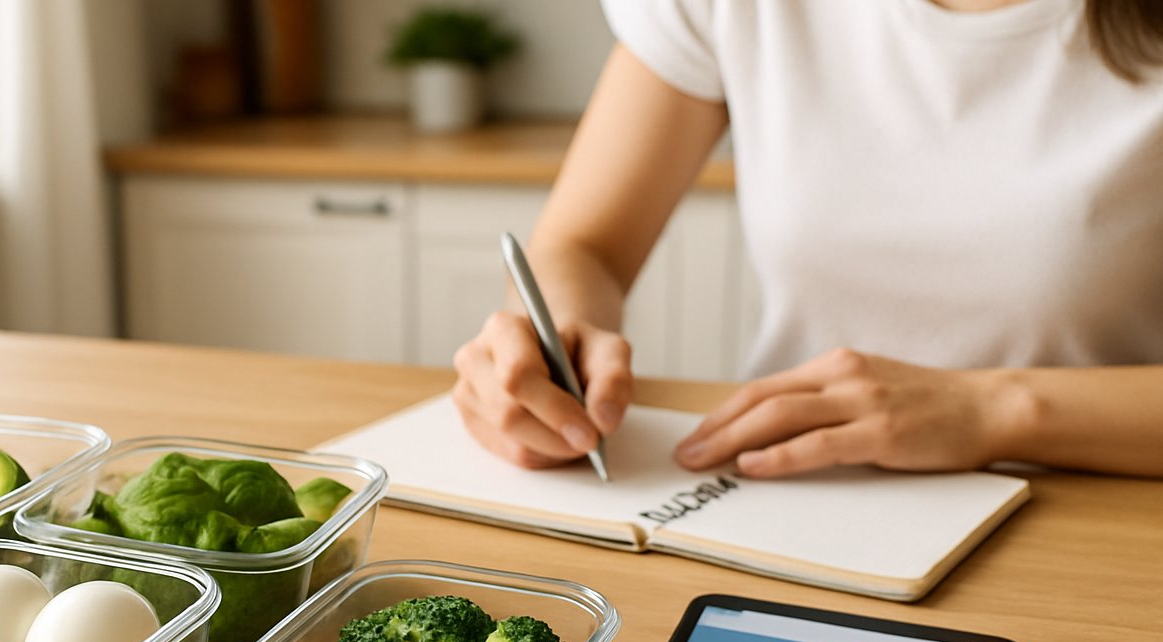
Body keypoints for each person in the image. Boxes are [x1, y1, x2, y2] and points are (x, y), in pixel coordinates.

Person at [452, 0, 1163, 479]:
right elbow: (584, 246)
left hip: (1089, 514)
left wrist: (994, 409)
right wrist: (558, 345)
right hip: (788, 494)